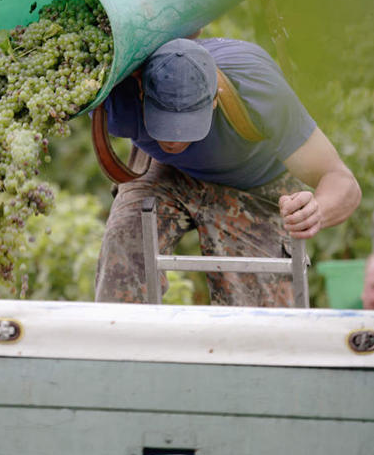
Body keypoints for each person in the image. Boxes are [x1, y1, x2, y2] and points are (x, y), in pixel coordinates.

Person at [95, 37, 361, 306]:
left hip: (252, 184)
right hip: (165, 170)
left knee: (256, 321)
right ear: (141, 93)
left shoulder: (258, 91)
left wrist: (316, 211)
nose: (174, 139)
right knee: (123, 249)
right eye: (163, 122)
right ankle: (125, 342)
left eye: (187, 126)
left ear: (213, 100)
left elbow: (341, 181)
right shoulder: (117, 101)